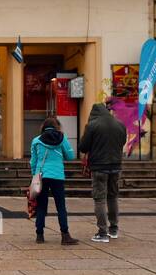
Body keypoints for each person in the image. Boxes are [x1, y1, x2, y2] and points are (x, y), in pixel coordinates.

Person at [78, 101, 127, 243]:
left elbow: (83, 146)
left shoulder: (92, 125)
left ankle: (102, 232)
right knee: (113, 197)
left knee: (100, 199)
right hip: (116, 165)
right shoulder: (120, 124)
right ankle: (114, 229)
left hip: (99, 166)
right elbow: (122, 142)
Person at [29, 116, 78, 245]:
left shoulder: (36, 141)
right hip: (57, 176)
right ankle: (65, 235)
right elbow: (71, 156)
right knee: (61, 206)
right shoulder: (62, 138)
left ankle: (39, 235)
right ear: (57, 126)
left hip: (41, 176)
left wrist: (34, 176)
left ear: (43, 127)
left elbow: (33, 162)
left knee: (41, 206)